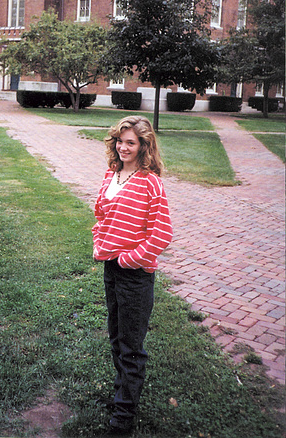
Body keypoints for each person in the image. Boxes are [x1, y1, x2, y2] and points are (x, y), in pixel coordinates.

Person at [92, 116, 173, 436]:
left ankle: (124, 415)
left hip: (135, 273)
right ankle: (121, 394)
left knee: (131, 345)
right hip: (110, 268)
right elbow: (100, 214)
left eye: (131, 143)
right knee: (116, 337)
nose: (123, 147)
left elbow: (162, 234)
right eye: (120, 141)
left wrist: (130, 258)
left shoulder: (150, 182)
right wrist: (101, 242)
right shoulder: (112, 175)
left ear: (144, 147)